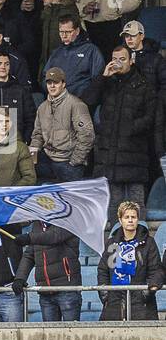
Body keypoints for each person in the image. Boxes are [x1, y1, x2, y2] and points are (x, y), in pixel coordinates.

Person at [84, 45, 157, 219]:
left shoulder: (143, 85)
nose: (117, 63)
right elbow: (87, 102)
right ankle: (113, 245)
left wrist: (131, 128)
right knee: (114, 210)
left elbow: (151, 118)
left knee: (136, 209)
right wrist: (102, 78)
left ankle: (142, 245)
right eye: (115, 59)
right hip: (109, 157)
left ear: (131, 60)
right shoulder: (106, 83)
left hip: (134, 155)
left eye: (122, 59)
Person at [97, 200, 164, 321]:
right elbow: (103, 270)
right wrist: (105, 293)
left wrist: (148, 291)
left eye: (133, 217)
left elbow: (156, 270)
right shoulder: (112, 244)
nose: (130, 220)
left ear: (138, 219)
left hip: (142, 304)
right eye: (126, 217)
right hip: (114, 303)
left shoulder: (148, 243)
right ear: (120, 220)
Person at [30, 67, 95, 183]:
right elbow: (37, 135)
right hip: (48, 161)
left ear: (63, 84)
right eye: (49, 83)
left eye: (56, 82)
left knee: (70, 200)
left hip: (69, 162)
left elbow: (87, 135)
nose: (52, 86)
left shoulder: (76, 104)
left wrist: (75, 161)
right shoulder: (42, 107)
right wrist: (32, 159)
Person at [12, 222, 82, 322]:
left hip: (67, 289)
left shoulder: (67, 221)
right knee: (50, 334)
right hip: (45, 292)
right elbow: (29, 255)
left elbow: (53, 237)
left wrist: (29, 238)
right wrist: (20, 278)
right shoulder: (37, 226)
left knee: (71, 333)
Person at [45, 12, 105, 98]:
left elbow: (98, 80)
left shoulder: (91, 50)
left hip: (81, 102)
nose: (64, 35)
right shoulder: (56, 52)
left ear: (77, 31)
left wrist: (87, 100)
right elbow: (45, 76)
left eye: (68, 32)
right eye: (61, 32)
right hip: (57, 101)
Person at [122, 19, 166, 96]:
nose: (129, 39)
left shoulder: (156, 58)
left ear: (142, 36)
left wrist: (159, 106)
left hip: (149, 103)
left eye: (133, 35)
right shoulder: (120, 56)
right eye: (126, 36)